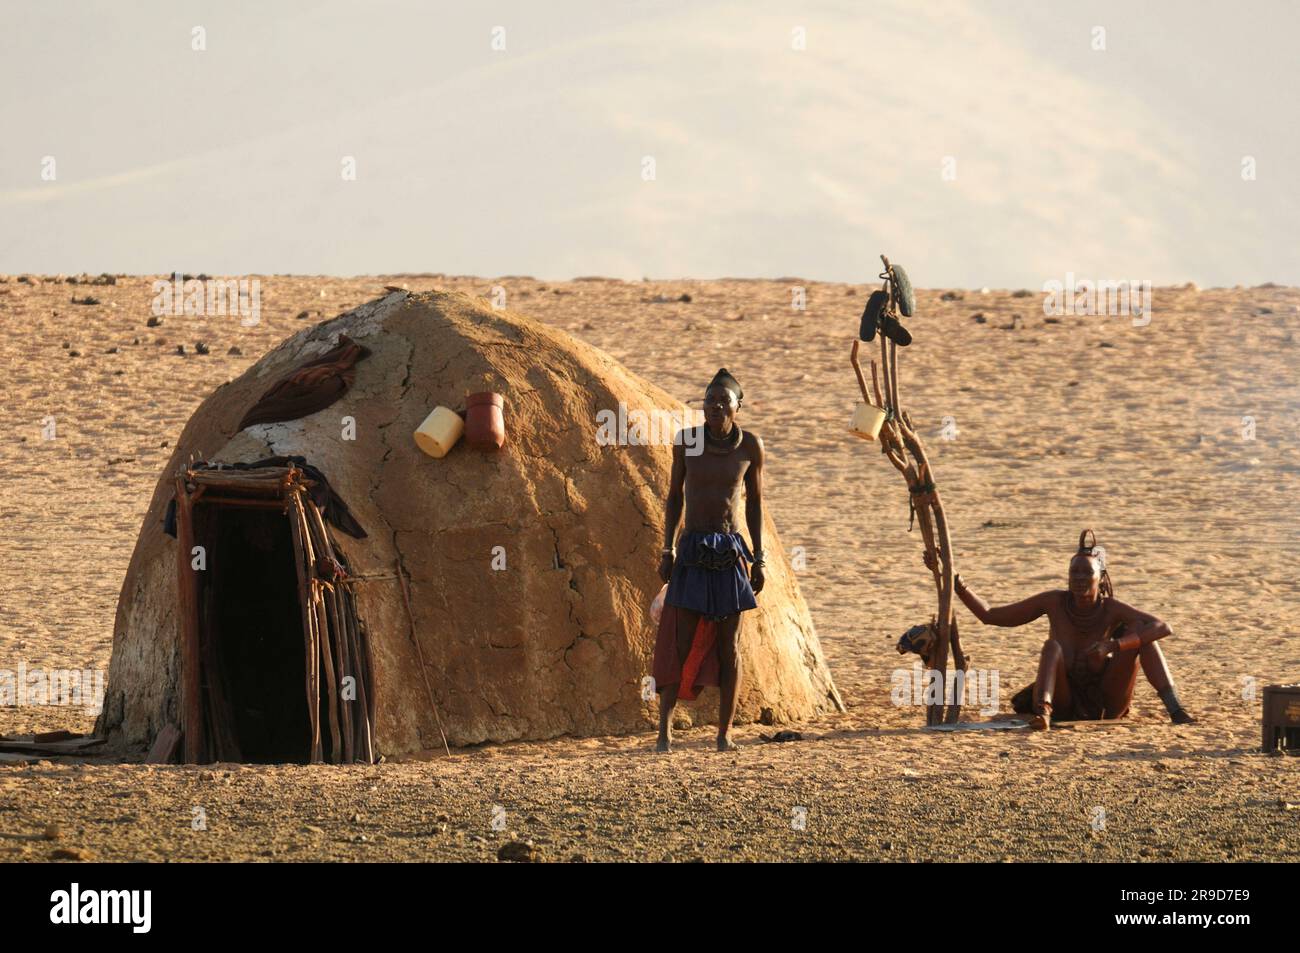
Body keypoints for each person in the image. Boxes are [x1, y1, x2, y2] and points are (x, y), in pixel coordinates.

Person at [954, 530, 1195, 730]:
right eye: (1074, 572)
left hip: (1106, 701)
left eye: (1087, 572)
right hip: (1064, 700)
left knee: (1144, 640)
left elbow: (1162, 626)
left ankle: (1176, 709)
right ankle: (1043, 714)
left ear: (1100, 579)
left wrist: (1112, 645)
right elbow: (990, 615)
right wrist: (958, 585)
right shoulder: (1053, 601)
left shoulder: (1111, 608)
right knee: (1051, 647)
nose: (1079, 578)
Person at [654, 368, 765, 752]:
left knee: (728, 645)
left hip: (730, 552)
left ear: (737, 406)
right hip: (693, 550)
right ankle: (664, 732)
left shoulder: (749, 447)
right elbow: (674, 498)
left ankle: (724, 733)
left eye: (723, 400)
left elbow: (755, 506)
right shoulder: (688, 443)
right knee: (679, 640)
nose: (715, 406)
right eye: (709, 400)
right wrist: (667, 548)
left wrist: (760, 558)